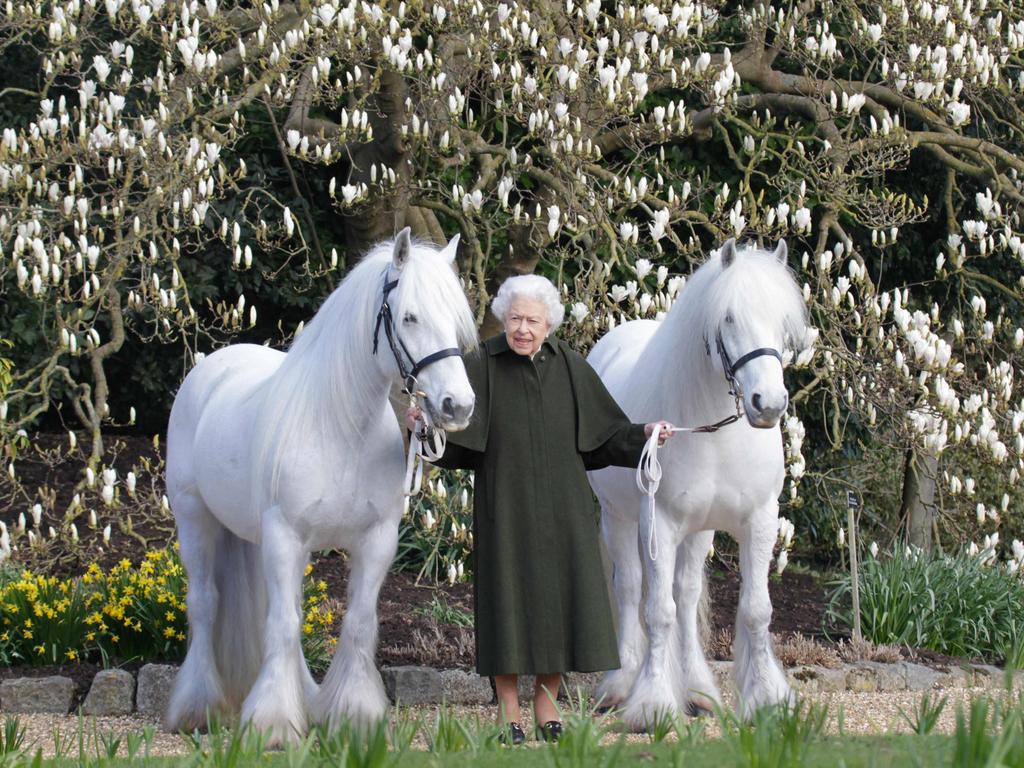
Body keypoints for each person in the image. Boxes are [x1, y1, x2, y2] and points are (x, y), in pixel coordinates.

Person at [405, 274, 674, 745]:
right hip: (503, 509)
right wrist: (421, 428)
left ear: (549, 324)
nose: (522, 329)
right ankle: (509, 706)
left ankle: (546, 700)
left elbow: (606, 436)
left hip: (564, 510)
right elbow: (452, 442)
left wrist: (647, 433)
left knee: (560, 606)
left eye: (531, 320)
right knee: (506, 606)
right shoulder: (481, 365)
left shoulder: (570, 366)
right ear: (502, 320)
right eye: (514, 319)